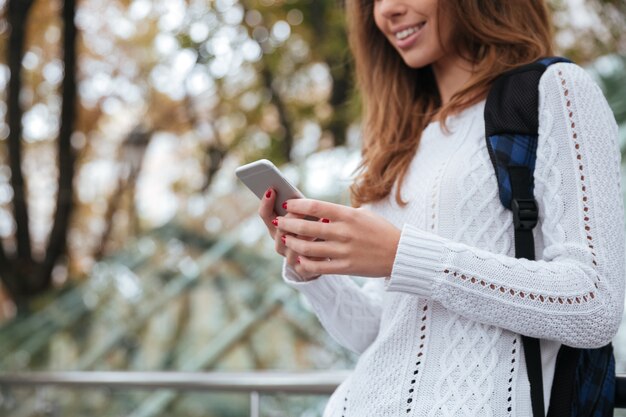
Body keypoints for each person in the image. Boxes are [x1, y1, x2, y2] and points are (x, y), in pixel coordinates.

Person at [257, 0, 625, 415]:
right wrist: (315, 270)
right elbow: (377, 333)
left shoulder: (554, 89)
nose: (388, 10)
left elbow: (594, 303)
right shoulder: (400, 142)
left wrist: (403, 255)